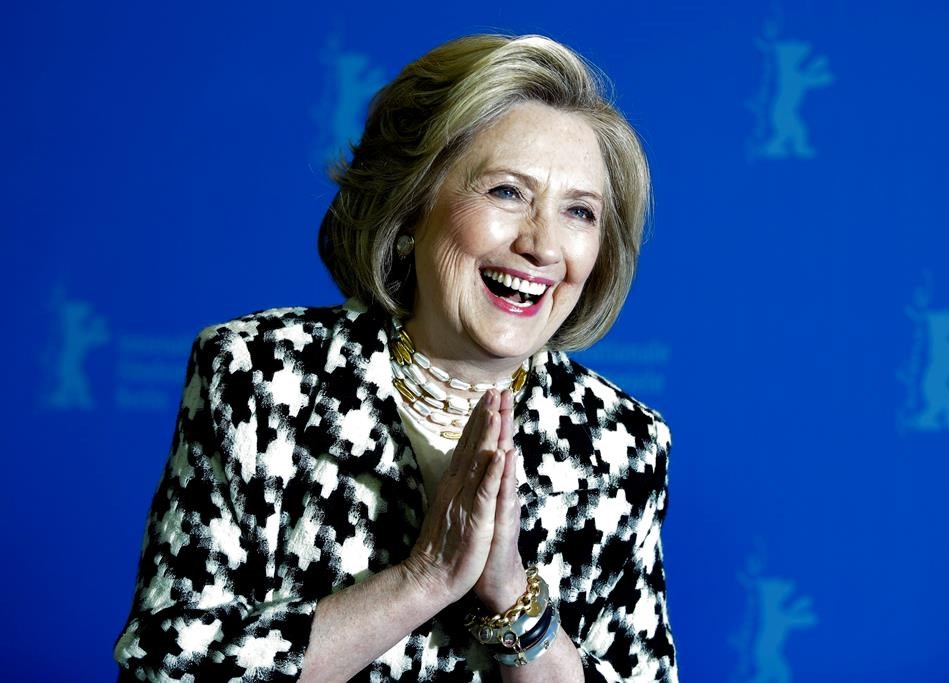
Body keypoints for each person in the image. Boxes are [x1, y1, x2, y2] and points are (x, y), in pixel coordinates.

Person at [114, 34, 677, 682]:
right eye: (507, 193)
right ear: (412, 208)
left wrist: (515, 602)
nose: (543, 245)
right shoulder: (257, 379)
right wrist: (423, 579)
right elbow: (166, 669)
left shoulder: (623, 444)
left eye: (579, 211)